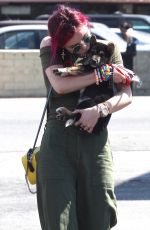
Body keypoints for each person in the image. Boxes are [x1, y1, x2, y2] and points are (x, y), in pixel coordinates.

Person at [37, 5, 132, 230]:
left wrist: (99, 110)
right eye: (76, 46)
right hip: (58, 143)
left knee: (100, 216)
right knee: (59, 220)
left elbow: (126, 94)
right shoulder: (50, 47)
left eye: (87, 37)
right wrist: (102, 73)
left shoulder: (109, 49)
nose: (86, 47)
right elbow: (60, 85)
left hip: (95, 142)